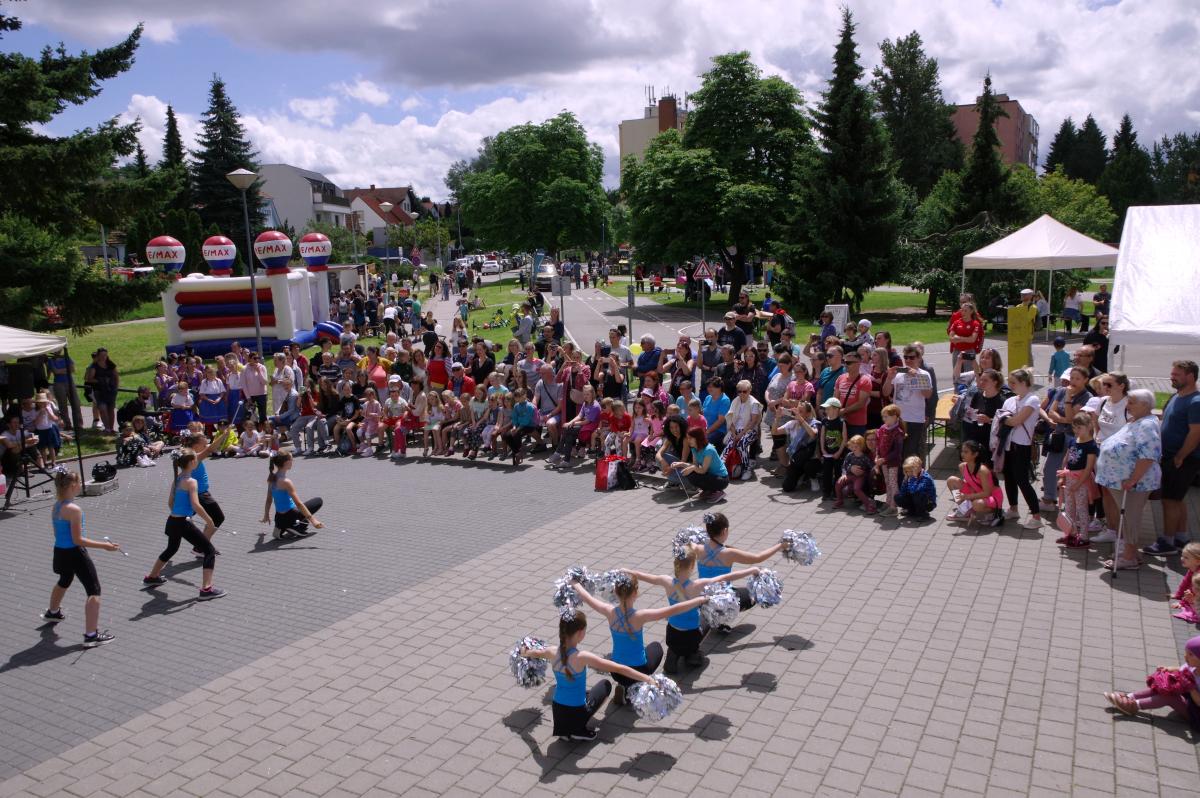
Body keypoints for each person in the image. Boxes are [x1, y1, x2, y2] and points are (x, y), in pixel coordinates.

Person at [571, 572, 707, 706]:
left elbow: (588, 598)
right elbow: (673, 609)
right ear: (635, 594)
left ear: (616, 593)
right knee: (656, 647)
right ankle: (635, 688)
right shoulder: (640, 616)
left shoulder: (609, 611)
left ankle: (624, 686)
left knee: (629, 655)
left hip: (616, 671)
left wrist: (575, 583)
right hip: (639, 670)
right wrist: (699, 600)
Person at [519, 613, 655, 741]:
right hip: (576, 715)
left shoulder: (551, 651)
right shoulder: (582, 657)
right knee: (605, 685)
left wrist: (523, 651)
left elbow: (532, 653)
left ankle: (565, 732)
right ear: (580, 633)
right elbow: (619, 668)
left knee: (582, 692)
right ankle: (578, 731)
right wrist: (647, 679)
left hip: (558, 713)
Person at [629, 550, 759, 674]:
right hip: (691, 636)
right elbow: (725, 577)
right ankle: (692, 655)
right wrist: (751, 570)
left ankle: (674, 654)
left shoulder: (666, 581)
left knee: (677, 639)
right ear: (691, 567)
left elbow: (646, 577)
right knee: (706, 618)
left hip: (672, 634)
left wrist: (629, 571)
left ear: (675, 564)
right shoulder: (697, 585)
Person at [41, 470, 121, 647]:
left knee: (65, 579)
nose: (81, 485)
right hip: (75, 553)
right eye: (79, 482)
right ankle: (91, 635)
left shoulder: (57, 506)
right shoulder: (74, 509)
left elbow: (57, 534)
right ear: (72, 485)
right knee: (94, 590)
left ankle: (53, 612)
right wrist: (105, 546)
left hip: (60, 552)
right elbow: (78, 540)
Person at [142, 449, 224, 600]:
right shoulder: (191, 482)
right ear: (192, 462)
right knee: (209, 551)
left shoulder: (177, 479)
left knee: (171, 548)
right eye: (196, 459)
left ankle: (152, 577)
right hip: (182, 523)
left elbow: (170, 503)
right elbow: (196, 505)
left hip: (172, 520)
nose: (197, 461)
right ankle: (206, 589)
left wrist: (181, 514)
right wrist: (209, 521)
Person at [1094, 389, 1162, 570]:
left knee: (1130, 518)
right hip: (1123, 481)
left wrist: (1133, 479)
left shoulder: (1147, 425)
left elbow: (1148, 456)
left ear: (1145, 405)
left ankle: (1129, 557)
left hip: (1134, 483)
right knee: (1128, 518)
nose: (1127, 405)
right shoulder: (1137, 420)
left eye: (1131, 402)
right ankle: (1131, 553)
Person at [696, 511, 789, 629]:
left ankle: (711, 617)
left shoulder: (698, 548)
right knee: (752, 595)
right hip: (721, 601)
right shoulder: (729, 553)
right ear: (725, 531)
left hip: (701, 598)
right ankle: (720, 618)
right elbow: (758, 557)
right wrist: (780, 546)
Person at [1144, 360, 1200, 556]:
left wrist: (1180, 456)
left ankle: (1167, 542)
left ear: (1190, 376)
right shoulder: (1176, 396)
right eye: (1172, 374)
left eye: (1176, 375)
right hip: (1170, 456)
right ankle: (1181, 537)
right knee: (1177, 498)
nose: (1171, 377)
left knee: (1169, 500)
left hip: (1182, 459)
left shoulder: (1196, 402)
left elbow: (1196, 433)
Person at [1103, 635, 1200, 732]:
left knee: (1169, 697)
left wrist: (1191, 688)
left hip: (1195, 713)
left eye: (1190, 654)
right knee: (1163, 688)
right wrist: (1168, 669)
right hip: (1188, 698)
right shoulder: (1193, 665)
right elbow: (1181, 668)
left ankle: (1134, 706)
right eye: (1186, 652)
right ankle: (1129, 697)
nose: (1185, 656)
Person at [1039, 366, 1094, 509]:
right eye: (1072, 378)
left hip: (1074, 439)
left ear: (1085, 380)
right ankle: (1049, 499)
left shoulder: (1087, 397)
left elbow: (1072, 418)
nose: (1073, 381)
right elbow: (1051, 412)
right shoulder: (1062, 391)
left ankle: (1071, 503)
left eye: (1077, 379)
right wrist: (1064, 419)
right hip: (1059, 435)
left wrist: (1068, 400)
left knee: (1071, 472)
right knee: (1050, 468)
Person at [999, 368, 1045, 530]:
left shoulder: (1032, 399)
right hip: (1008, 444)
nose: (1010, 385)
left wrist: (1005, 419)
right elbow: (1004, 418)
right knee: (1009, 477)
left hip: (1022, 446)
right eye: (1009, 382)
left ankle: (1036, 516)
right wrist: (1005, 419)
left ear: (1024, 383)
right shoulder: (1011, 400)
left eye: (1013, 382)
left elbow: (1015, 421)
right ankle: (1013, 509)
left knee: (1022, 480)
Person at [1056, 414, 1099, 548]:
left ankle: (1084, 537)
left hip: (1082, 480)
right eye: (1074, 428)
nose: (1076, 431)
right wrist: (1062, 477)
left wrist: (1078, 484)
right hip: (1069, 479)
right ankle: (1071, 533)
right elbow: (1066, 460)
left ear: (1089, 426)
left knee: (1081, 509)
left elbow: (1089, 468)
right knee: (1069, 508)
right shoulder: (1073, 441)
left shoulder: (1091, 445)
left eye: (1079, 428)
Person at [261, 451, 324, 539]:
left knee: (301, 516)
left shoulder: (271, 477)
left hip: (278, 517)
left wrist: (266, 515)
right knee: (318, 501)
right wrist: (313, 521)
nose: (293, 462)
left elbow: (269, 499)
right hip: (291, 515)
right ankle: (293, 526)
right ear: (287, 462)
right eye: (292, 460)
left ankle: (280, 526)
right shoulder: (286, 482)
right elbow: (298, 503)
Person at [884, 345, 932, 459]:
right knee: (896, 452)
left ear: (919, 358)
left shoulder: (924, 374)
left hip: (914, 419)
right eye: (905, 357)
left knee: (910, 452)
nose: (908, 360)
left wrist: (917, 376)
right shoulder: (898, 374)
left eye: (911, 357)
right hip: (897, 419)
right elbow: (885, 392)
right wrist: (889, 378)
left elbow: (928, 395)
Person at [946, 439, 1004, 526]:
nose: (962, 454)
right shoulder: (962, 466)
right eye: (962, 451)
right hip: (977, 493)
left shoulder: (982, 470)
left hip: (992, 497)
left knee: (977, 504)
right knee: (951, 480)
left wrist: (967, 496)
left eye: (966, 452)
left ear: (975, 454)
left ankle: (993, 513)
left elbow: (987, 493)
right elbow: (969, 483)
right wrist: (966, 496)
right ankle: (964, 511)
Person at [672, 427, 730, 502]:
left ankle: (719, 492)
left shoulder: (708, 450)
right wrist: (681, 464)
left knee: (692, 474)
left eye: (690, 438)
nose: (688, 440)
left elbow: (703, 470)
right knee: (691, 474)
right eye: (687, 438)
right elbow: (695, 465)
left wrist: (692, 468)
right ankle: (707, 491)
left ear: (698, 438)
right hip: (711, 476)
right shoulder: (694, 449)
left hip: (722, 479)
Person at [875, 404, 904, 516]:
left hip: (893, 462)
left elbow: (897, 451)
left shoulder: (898, 432)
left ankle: (893, 507)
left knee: (893, 483)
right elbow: (878, 444)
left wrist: (884, 459)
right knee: (887, 482)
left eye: (886, 416)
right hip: (883, 461)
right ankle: (888, 503)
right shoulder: (883, 428)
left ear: (895, 416)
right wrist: (877, 456)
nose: (884, 419)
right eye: (883, 416)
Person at [835, 435, 876, 513]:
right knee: (838, 484)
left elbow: (871, 467)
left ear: (861, 446)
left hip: (860, 477)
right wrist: (844, 474)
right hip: (849, 475)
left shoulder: (864, 457)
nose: (854, 448)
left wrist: (871, 471)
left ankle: (869, 506)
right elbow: (844, 465)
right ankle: (839, 501)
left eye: (856, 447)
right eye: (852, 446)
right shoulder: (849, 455)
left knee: (857, 489)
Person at [1170, 543, 1200, 623]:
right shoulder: (1192, 568)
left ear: (1197, 561)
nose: (1182, 559)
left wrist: (1182, 603)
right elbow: (1185, 582)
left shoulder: (1198, 575)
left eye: (1186, 557)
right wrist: (1178, 595)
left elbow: (1192, 591)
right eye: (1182, 556)